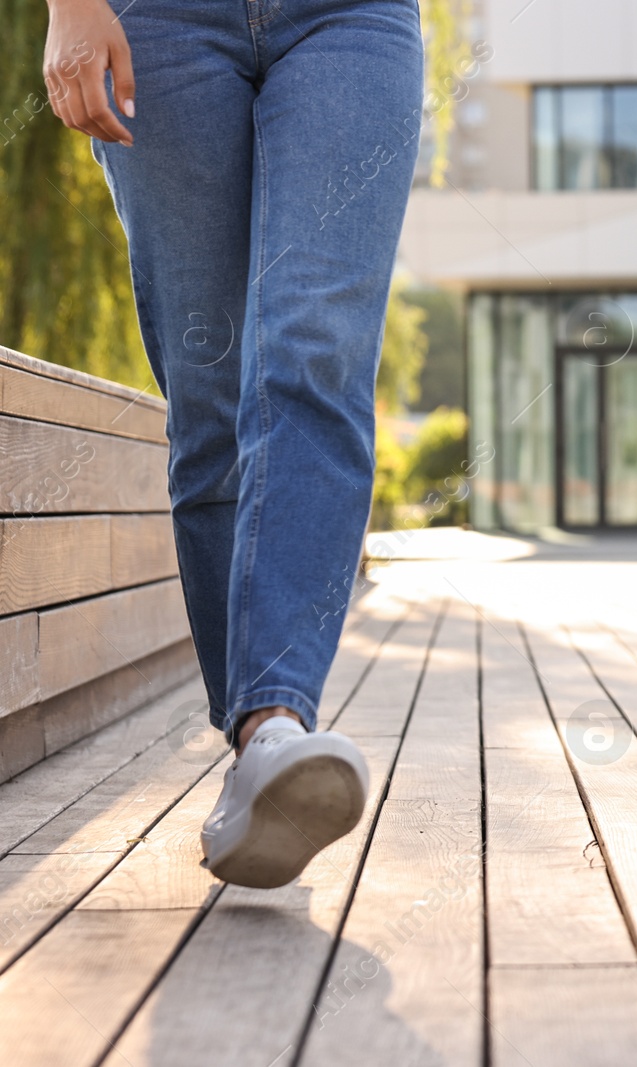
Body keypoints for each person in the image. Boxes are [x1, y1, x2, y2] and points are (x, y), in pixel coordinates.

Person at [42, 0, 422, 885]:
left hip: (352, 19)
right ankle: (256, 745)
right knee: (209, 398)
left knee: (312, 352)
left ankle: (273, 724)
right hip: (158, 23)